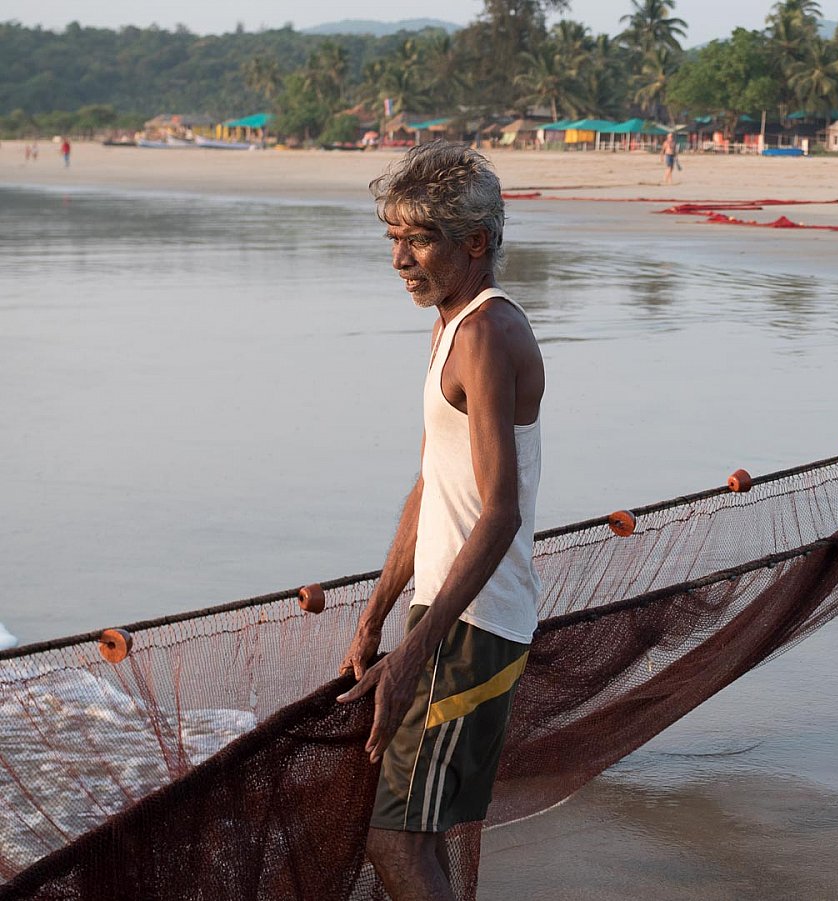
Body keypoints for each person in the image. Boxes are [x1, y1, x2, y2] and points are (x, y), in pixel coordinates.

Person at [338, 142, 545, 901]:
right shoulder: (449, 324)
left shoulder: (488, 334)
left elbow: (499, 512)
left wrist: (415, 650)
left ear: (476, 241)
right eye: (394, 238)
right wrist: (375, 619)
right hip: (444, 612)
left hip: (475, 625)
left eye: (419, 240)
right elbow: (432, 486)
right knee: (409, 833)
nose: (400, 259)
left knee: (395, 843)